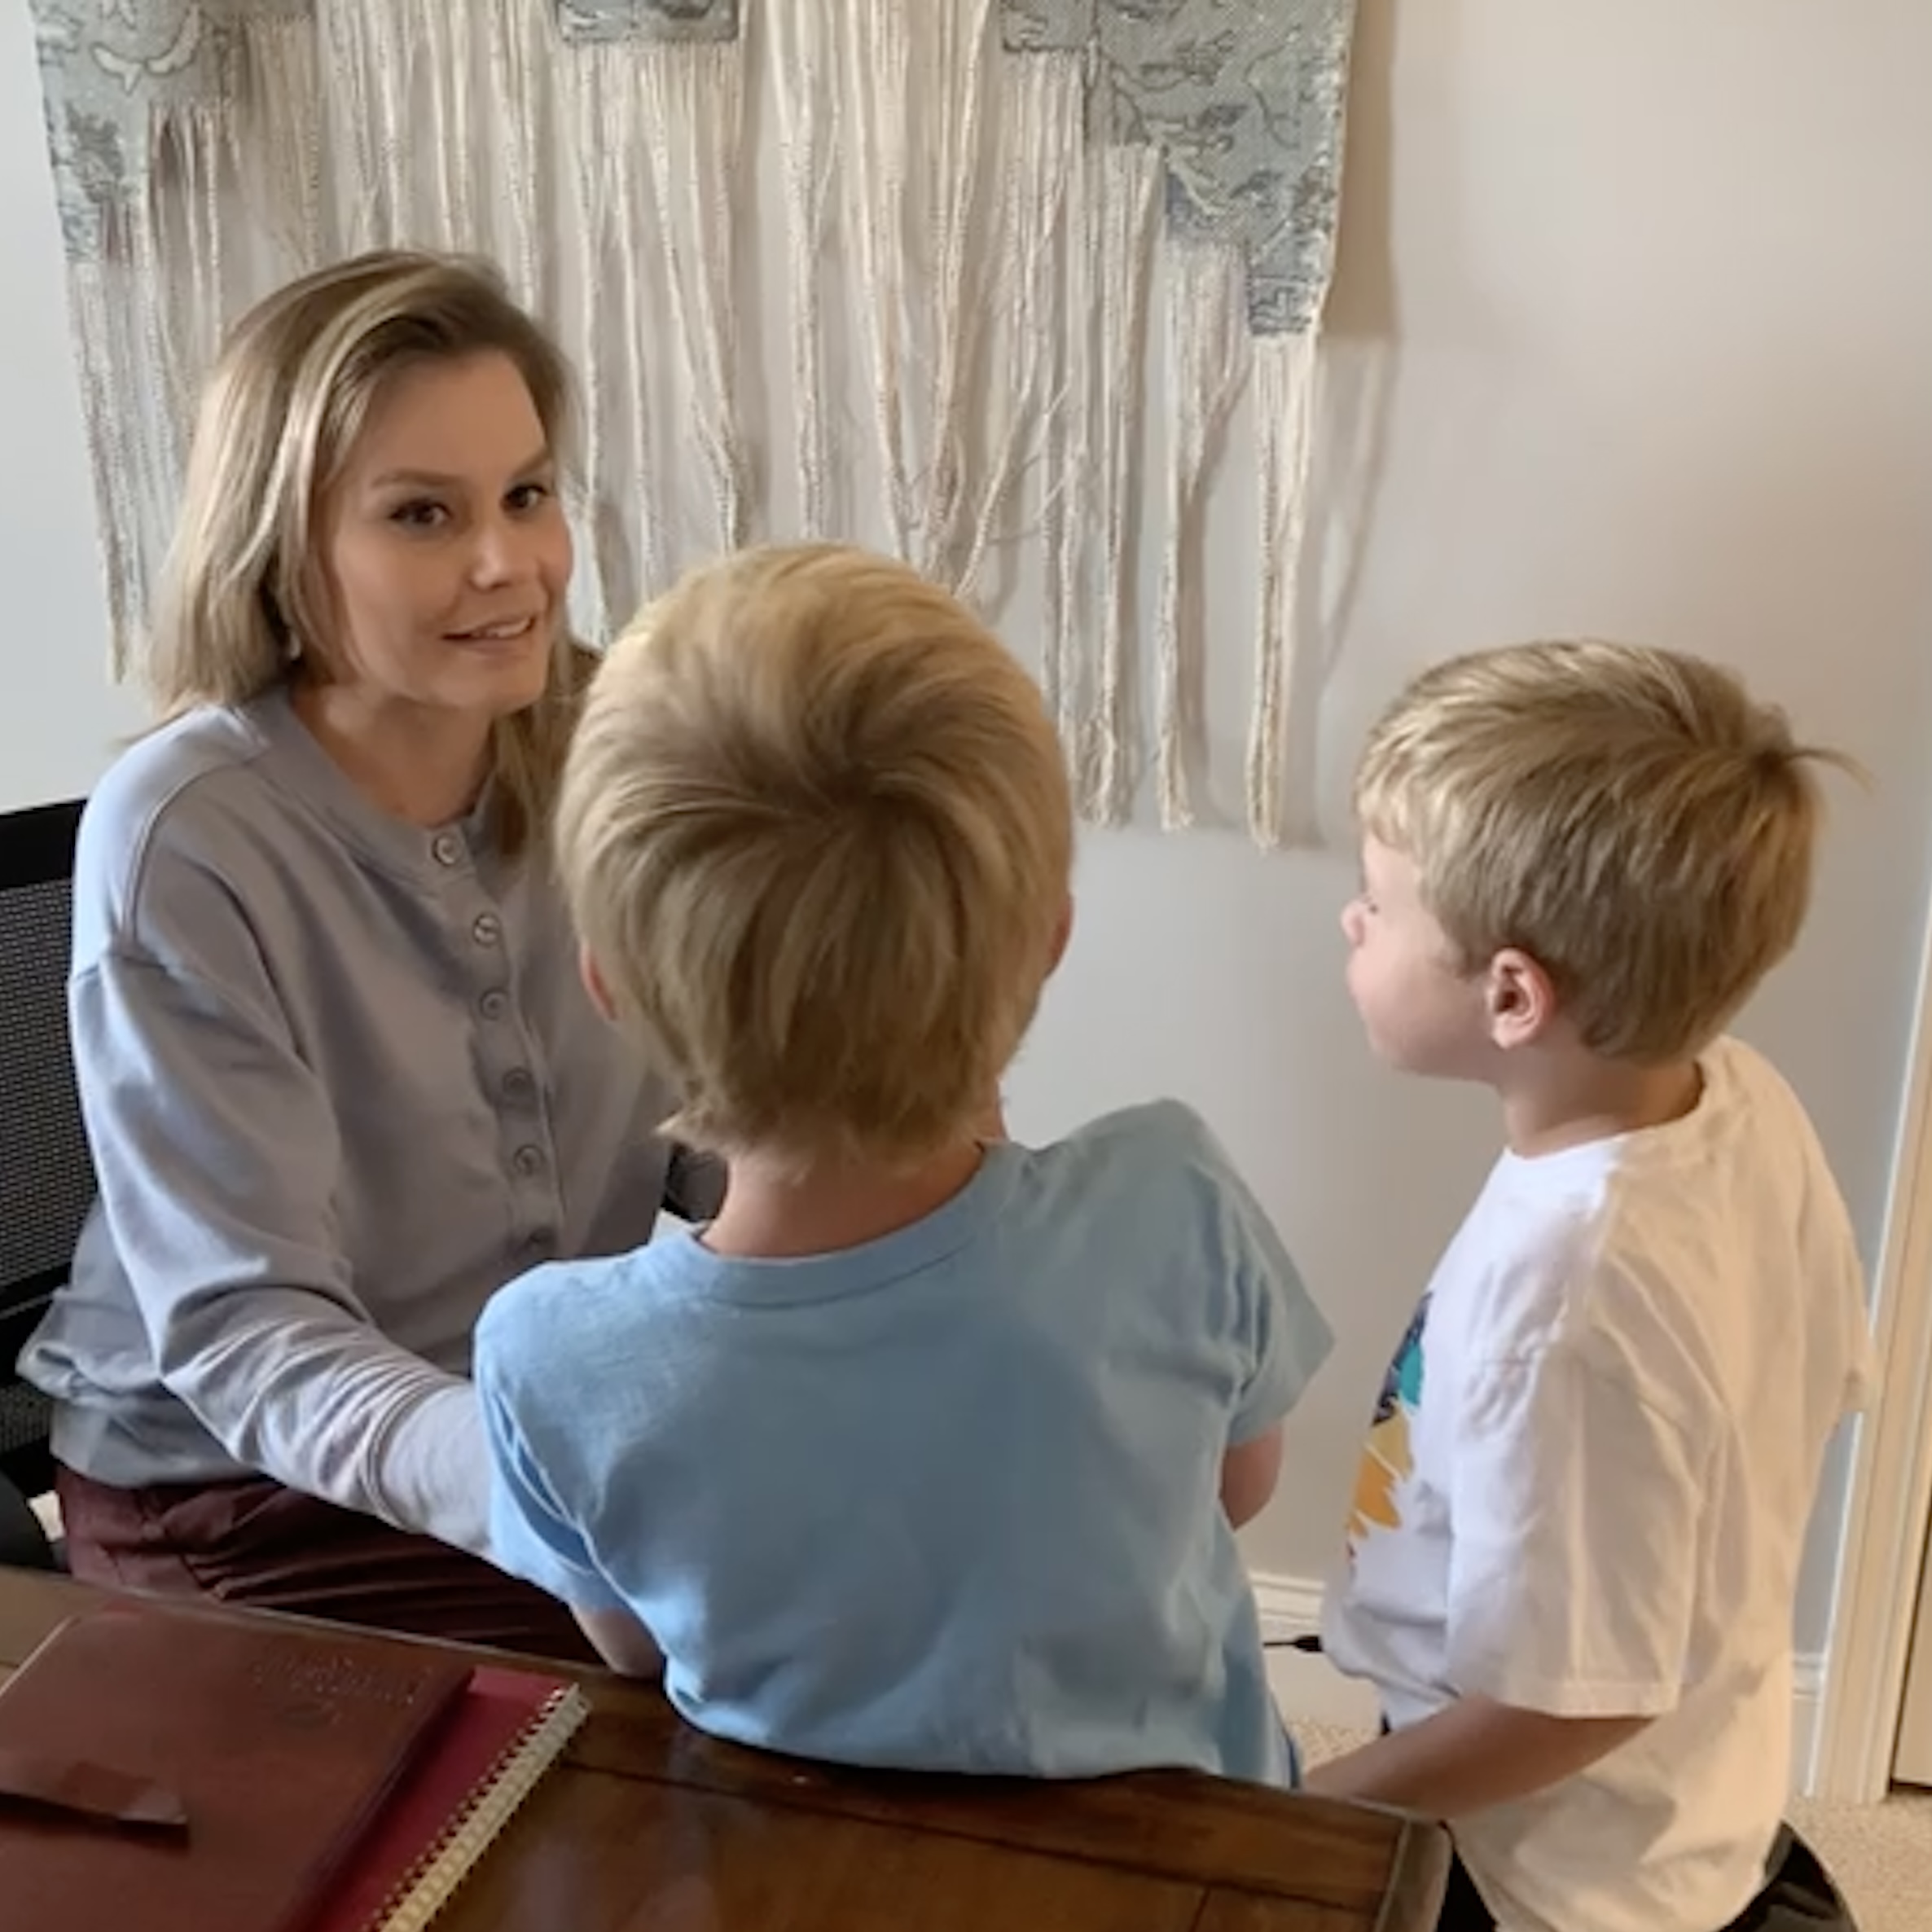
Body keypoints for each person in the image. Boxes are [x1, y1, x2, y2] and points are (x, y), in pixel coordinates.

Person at [471, 542, 1333, 1782]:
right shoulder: (1170, 1199)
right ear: (1048, 941)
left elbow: (632, 1653)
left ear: (607, 986)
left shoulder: (549, 1355)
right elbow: (1238, 1488)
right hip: (1201, 1872)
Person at [23, 250, 714, 1660]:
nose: (505, 564)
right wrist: (558, 1486)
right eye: (421, 514)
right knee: (699, 1725)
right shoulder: (184, 834)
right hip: (232, 1492)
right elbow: (250, 1337)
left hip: (526, 1431)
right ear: (283, 545)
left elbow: (734, 1095)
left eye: (527, 494)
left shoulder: (621, 736)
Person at [1307, 641, 1876, 1931]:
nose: (1351, 919)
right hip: (1683, 1787)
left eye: (1377, 899)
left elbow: (1575, 1700)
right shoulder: (1737, 1092)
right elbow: (1817, 1376)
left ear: (1513, 993)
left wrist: (1322, 1808)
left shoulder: (1561, 1302)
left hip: (1548, 1879)